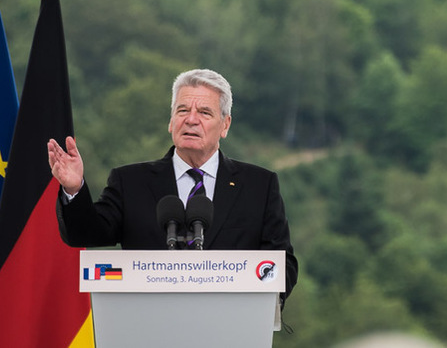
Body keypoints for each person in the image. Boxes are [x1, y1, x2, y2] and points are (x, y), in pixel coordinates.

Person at [48, 68, 298, 302]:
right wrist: (73, 188)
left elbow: (283, 265)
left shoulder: (259, 186)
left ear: (225, 125)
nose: (191, 120)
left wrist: (259, 305)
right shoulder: (130, 182)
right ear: (171, 122)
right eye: (182, 111)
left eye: (204, 112)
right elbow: (85, 234)